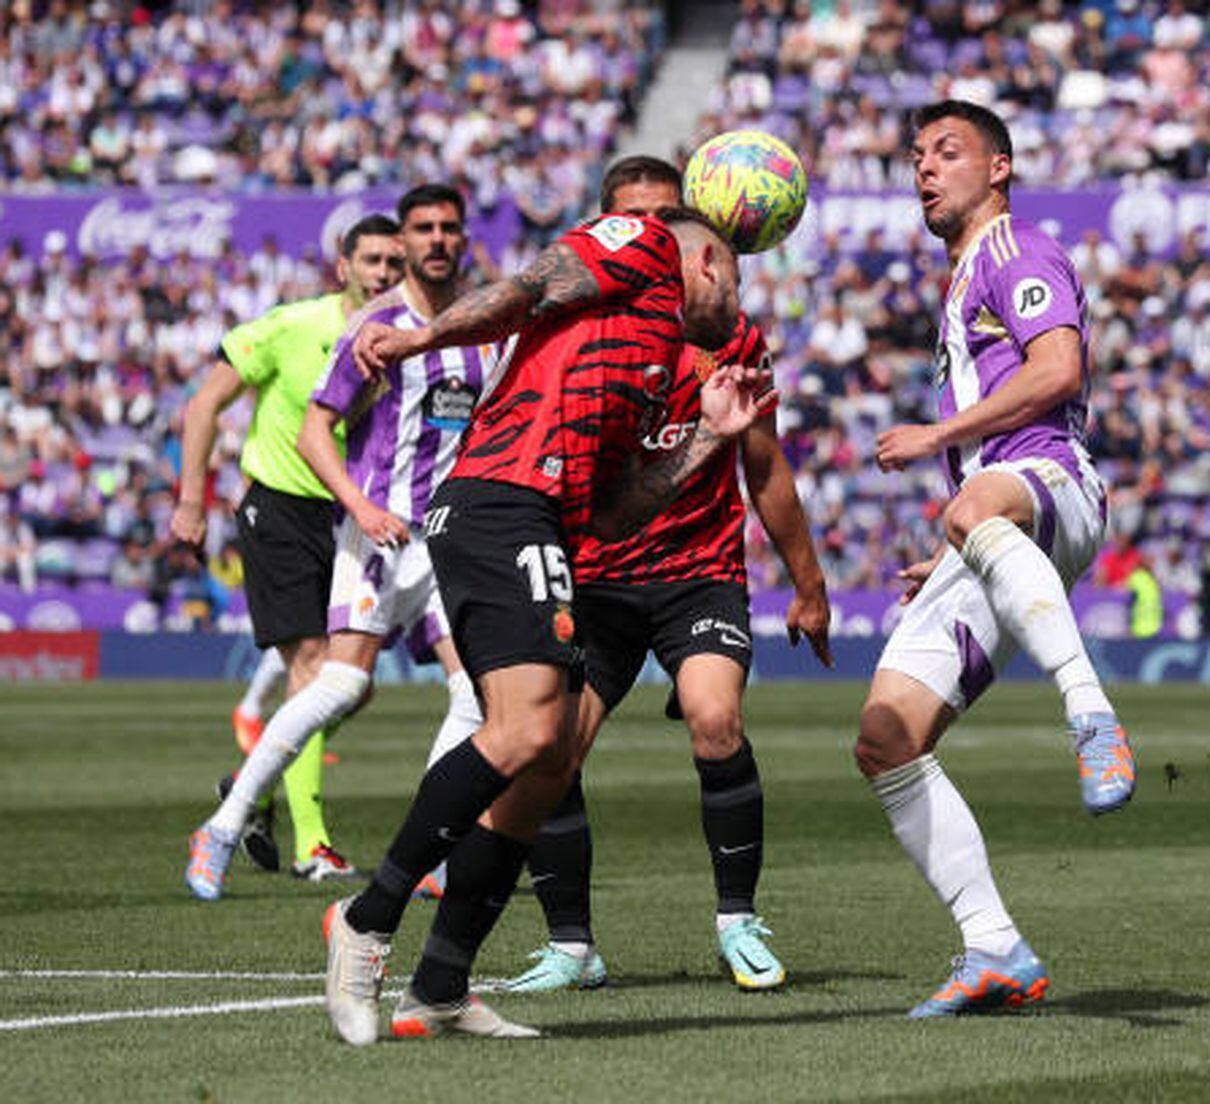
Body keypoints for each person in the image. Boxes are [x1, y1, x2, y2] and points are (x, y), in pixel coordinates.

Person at [321, 205, 769, 1044]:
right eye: (737, 284)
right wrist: (421, 341)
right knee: (526, 731)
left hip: (544, 523)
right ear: (707, 259)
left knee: (545, 756)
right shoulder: (641, 243)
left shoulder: (645, 356)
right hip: (497, 499)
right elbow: (525, 290)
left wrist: (710, 437)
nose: (738, 313)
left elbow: (615, 510)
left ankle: (441, 986)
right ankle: (369, 916)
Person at [497, 156, 831, 995]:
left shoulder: (726, 334)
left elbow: (767, 469)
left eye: (665, 221)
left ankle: (738, 923)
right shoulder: (574, 335)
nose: (652, 238)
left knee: (716, 721)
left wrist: (809, 582)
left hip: (698, 573)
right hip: (597, 578)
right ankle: (572, 947)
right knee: (553, 752)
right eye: (632, 221)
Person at [864, 100, 1134, 1018]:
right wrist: (957, 557)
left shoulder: (1017, 253)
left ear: (1000, 168)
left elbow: (1058, 369)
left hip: (1054, 481)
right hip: (997, 511)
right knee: (886, 738)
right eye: (917, 155)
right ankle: (995, 949)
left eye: (948, 151)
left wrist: (939, 435)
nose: (926, 169)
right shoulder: (962, 276)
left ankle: (1092, 716)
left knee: (970, 502)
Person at [184, 185, 501, 902]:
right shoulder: (374, 326)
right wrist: (361, 504)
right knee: (340, 682)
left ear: (464, 238)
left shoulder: (483, 327)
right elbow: (311, 432)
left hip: (448, 538)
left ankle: (426, 852)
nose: (438, 240)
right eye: (424, 228)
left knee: (476, 695)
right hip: (379, 530)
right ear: (410, 242)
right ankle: (226, 824)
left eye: (449, 227)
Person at [173, 214, 403, 881]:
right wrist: (191, 498)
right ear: (345, 266)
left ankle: (251, 789)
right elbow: (203, 406)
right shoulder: (291, 325)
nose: (384, 274)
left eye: (395, 263)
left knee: (351, 689)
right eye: (373, 261)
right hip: (278, 508)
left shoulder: (409, 340)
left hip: (352, 517)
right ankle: (312, 848)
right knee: (313, 668)